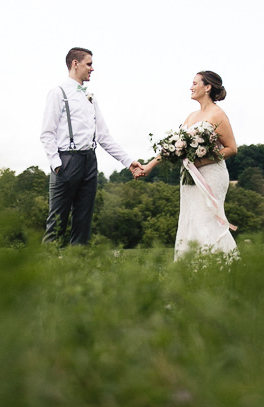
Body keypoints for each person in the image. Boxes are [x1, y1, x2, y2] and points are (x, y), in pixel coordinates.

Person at [40, 47, 142, 246]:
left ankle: (78, 268)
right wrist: (56, 164)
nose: (92, 69)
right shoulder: (57, 93)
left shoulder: (90, 97)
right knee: (57, 222)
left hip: (89, 161)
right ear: (75, 64)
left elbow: (103, 136)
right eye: (89, 64)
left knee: (83, 221)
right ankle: (48, 270)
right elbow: (47, 133)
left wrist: (128, 161)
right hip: (67, 160)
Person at [136, 70, 239, 259]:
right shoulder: (191, 116)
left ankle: (217, 265)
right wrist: (149, 165)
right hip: (189, 176)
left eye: (194, 83)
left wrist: (202, 160)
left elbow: (232, 148)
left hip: (210, 175)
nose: (190, 87)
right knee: (190, 220)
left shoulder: (218, 115)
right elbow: (172, 147)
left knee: (206, 219)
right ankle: (191, 268)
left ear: (207, 87)